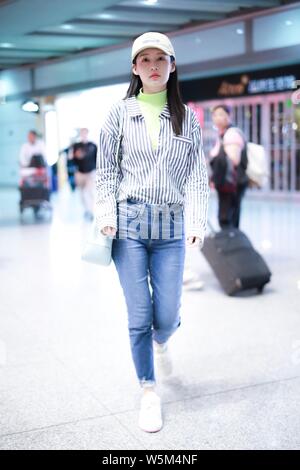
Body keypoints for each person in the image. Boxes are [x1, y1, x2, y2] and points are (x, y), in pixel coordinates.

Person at [95, 32, 209, 433]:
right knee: (139, 313)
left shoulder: (186, 117)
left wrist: (197, 222)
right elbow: (107, 169)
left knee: (167, 313)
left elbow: (196, 173)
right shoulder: (119, 113)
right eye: (145, 59)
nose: (154, 65)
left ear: (172, 66)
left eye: (161, 58)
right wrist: (106, 214)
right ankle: (148, 390)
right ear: (134, 68)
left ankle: (163, 340)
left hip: (172, 225)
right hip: (128, 223)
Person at [210, 105, 248, 229]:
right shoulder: (222, 135)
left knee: (227, 218)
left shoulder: (231, 134)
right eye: (214, 115)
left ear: (229, 116)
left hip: (232, 183)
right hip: (228, 183)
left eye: (221, 114)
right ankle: (230, 244)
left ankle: (231, 245)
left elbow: (234, 160)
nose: (217, 118)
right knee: (228, 216)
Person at [71, 128, 97, 220]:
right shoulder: (76, 146)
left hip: (91, 172)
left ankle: (91, 211)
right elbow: (72, 159)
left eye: (85, 133)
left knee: (88, 192)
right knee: (82, 193)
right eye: (82, 133)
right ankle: (87, 210)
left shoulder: (93, 145)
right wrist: (76, 156)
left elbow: (97, 159)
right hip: (80, 173)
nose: (84, 134)